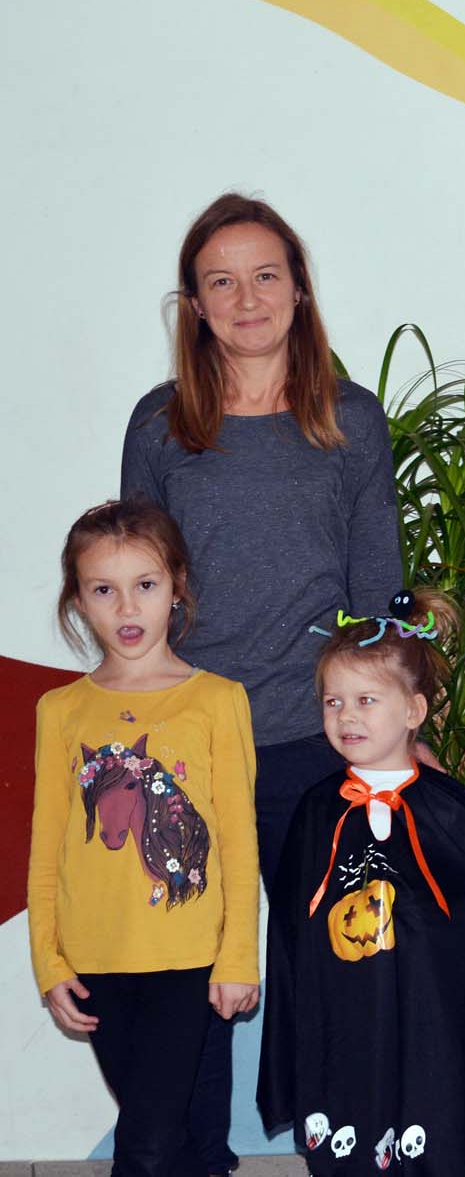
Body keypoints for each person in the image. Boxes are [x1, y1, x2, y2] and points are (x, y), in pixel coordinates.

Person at [120, 192, 400, 1172]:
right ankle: (195, 1158)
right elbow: (134, 589)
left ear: (299, 288)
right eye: (222, 281)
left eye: (265, 275)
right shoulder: (160, 425)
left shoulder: (350, 420)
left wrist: (389, 742)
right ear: (195, 304)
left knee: (333, 969)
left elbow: (376, 596)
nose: (247, 299)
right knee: (183, 974)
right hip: (186, 744)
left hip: (314, 745)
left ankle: (347, 1157)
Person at [257, 591, 465, 1177]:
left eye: (365, 700)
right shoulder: (315, 813)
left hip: (433, 1026)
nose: (346, 716)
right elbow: (291, 936)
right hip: (345, 1021)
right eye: (332, 701)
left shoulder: (452, 810)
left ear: (413, 710)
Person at [29, 500, 259, 1177]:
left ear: (177, 586)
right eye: (104, 589)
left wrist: (238, 957)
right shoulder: (60, 709)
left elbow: (238, 841)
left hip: (187, 959)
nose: (127, 607)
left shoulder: (218, 699)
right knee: (169, 1142)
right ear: (78, 600)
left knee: (147, 1147)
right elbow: (47, 848)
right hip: (94, 958)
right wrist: (49, 962)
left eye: (146, 584)